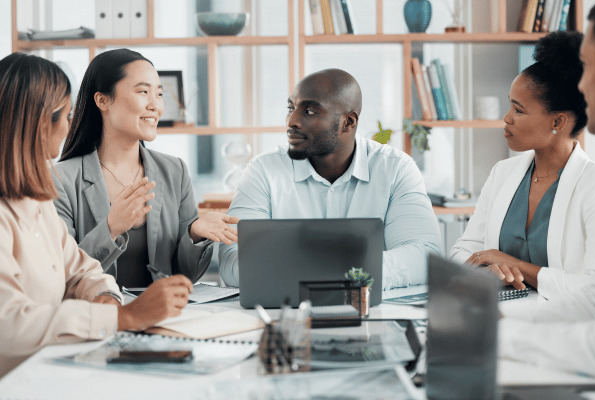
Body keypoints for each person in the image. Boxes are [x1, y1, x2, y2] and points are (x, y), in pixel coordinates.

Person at [0, 52, 194, 377]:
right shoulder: (40, 192)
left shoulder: (35, 201)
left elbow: (79, 272)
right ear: (36, 122)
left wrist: (107, 299)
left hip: (55, 368)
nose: (68, 125)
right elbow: (8, 321)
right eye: (65, 114)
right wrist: (122, 318)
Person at [219, 68, 441, 289]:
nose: (291, 121)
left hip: (367, 310)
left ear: (348, 122)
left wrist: (349, 273)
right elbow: (233, 259)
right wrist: (340, 269)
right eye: (291, 108)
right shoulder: (263, 170)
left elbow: (424, 254)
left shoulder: (396, 169)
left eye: (310, 111)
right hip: (288, 312)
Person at [53, 49, 239, 288]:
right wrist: (110, 229)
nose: (156, 106)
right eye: (143, 92)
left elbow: (186, 277)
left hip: (165, 317)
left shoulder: (175, 171)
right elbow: (62, 275)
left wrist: (195, 235)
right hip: (103, 316)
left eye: (159, 94)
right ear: (102, 100)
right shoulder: (61, 180)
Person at [450, 31, 595, 301]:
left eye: (518, 110)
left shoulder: (594, 186)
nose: (506, 118)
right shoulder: (503, 173)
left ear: (557, 122)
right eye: (510, 106)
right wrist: (490, 266)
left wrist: (513, 264)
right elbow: (463, 251)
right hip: (500, 324)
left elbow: (593, 288)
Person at [498, 4, 595, 378]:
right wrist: (496, 318)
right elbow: (593, 300)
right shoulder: (506, 173)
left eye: (589, 67)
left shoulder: (594, 185)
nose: (582, 85)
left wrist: (495, 335)